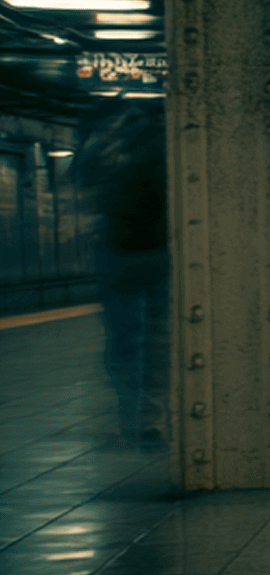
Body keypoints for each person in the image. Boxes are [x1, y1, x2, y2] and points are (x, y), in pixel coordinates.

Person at [77, 105, 170, 445]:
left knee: (121, 341)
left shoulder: (108, 146)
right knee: (157, 340)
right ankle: (150, 417)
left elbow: (82, 177)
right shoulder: (167, 144)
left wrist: (98, 134)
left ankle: (126, 414)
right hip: (159, 253)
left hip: (115, 254)